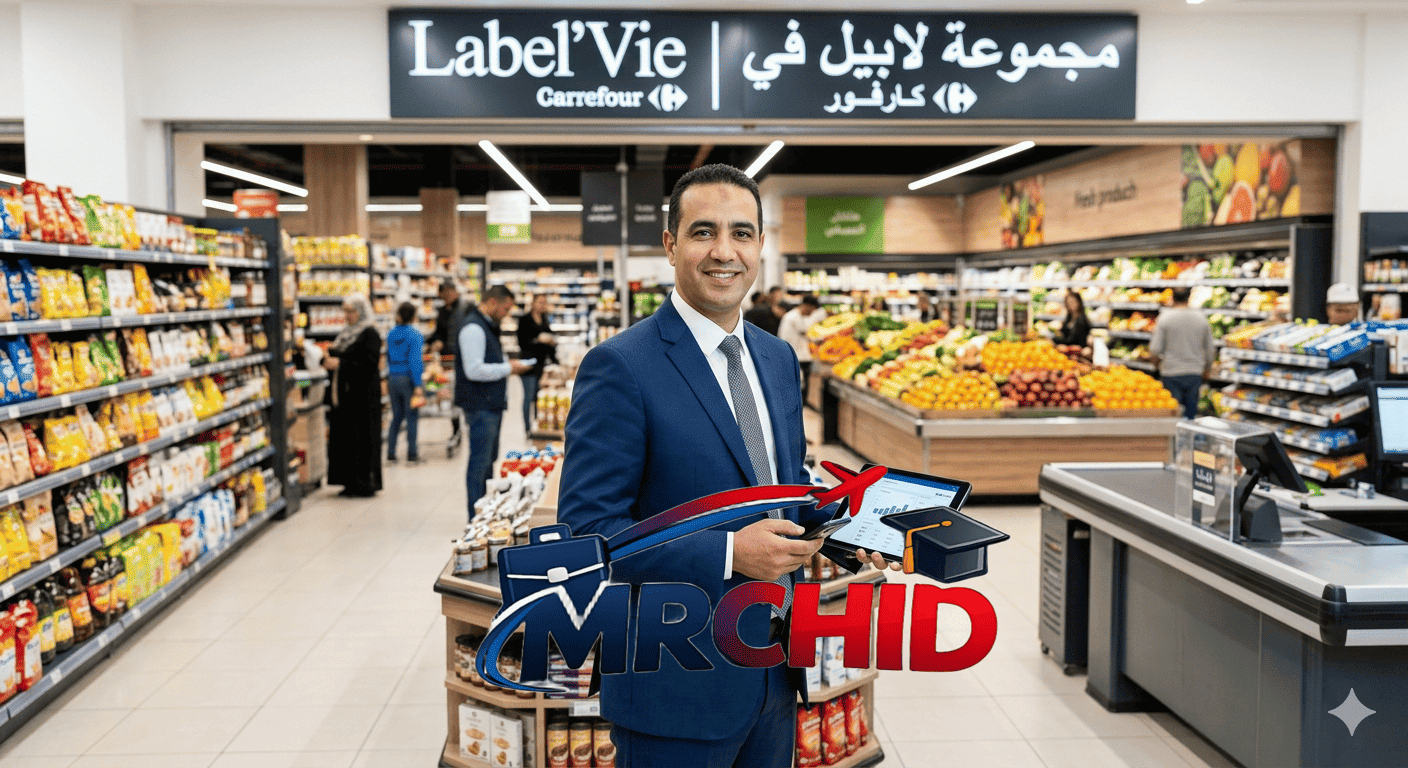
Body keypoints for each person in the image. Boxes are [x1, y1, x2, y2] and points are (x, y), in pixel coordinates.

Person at [558, 164, 898, 768]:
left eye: (742, 233)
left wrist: (853, 525)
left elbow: (782, 490)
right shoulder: (621, 366)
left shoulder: (775, 357)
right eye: (703, 232)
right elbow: (588, 536)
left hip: (774, 669)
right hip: (675, 682)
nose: (724, 252)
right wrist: (728, 553)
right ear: (669, 244)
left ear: (762, 246)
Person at [457, 285, 533, 515]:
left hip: (489, 404)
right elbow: (474, 370)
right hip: (480, 405)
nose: (506, 314)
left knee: (488, 460)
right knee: (480, 463)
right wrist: (508, 368)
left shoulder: (487, 325)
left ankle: (484, 510)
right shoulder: (473, 328)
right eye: (505, 308)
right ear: (491, 301)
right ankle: (474, 515)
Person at [323, 294, 383, 496]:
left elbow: (369, 364)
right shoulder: (346, 334)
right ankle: (348, 481)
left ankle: (364, 483)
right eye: (345, 311)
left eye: (351, 311)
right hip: (345, 397)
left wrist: (341, 364)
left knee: (362, 439)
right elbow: (343, 354)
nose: (347, 315)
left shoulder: (370, 333)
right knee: (346, 440)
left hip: (363, 398)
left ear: (361, 311)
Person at [1150, 286, 1216, 419]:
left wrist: (1157, 365)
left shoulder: (1165, 318)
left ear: (1172, 298)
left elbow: (1155, 349)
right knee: (1190, 415)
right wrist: (1207, 368)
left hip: (1171, 372)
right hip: (1194, 372)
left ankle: (1175, 439)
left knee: (1173, 414)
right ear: (1189, 298)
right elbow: (1210, 349)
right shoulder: (1201, 319)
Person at [428, 280, 476, 444]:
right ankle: (456, 430)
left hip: (464, 359)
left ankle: (470, 427)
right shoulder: (441, 311)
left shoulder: (466, 307)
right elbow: (439, 332)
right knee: (451, 396)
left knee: (466, 395)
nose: (447, 296)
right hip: (447, 361)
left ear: (455, 291)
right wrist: (434, 342)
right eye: (444, 293)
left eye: (450, 292)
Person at [385, 301, 425, 464]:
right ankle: (412, 453)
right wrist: (417, 384)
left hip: (393, 378)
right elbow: (415, 361)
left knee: (396, 416)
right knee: (412, 416)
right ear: (414, 317)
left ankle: (391, 452)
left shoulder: (391, 334)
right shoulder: (415, 335)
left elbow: (388, 355)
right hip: (408, 379)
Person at [515, 293, 557, 433]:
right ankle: (528, 429)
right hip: (527, 365)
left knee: (538, 397)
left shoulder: (545, 320)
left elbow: (551, 342)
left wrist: (555, 359)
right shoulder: (525, 320)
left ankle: (537, 425)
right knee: (528, 396)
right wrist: (538, 340)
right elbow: (522, 343)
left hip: (541, 365)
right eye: (539, 302)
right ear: (533, 303)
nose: (542, 305)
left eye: (544, 303)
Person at [778, 294, 825, 378]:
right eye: (812, 310)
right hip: (795, 357)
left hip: (799, 356)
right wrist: (817, 340)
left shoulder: (798, 316)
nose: (812, 313)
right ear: (807, 306)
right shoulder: (793, 317)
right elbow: (805, 333)